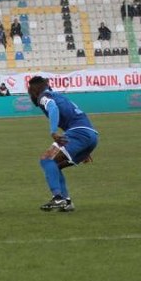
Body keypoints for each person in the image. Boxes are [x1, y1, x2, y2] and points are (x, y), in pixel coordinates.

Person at [27, 75, 98, 213]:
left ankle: (58, 198)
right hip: (90, 136)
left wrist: (53, 132)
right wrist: (86, 150)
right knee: (55, 165)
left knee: (46, 160)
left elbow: (53, 108)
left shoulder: (43, 97)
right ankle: (66, 202)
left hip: (78, 134)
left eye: (30, 91)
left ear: (34, 90)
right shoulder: (58, 96)